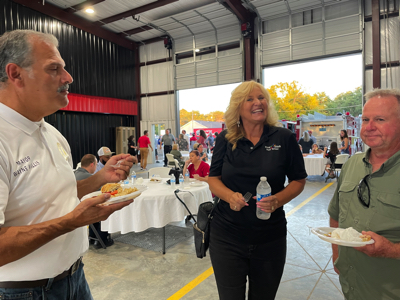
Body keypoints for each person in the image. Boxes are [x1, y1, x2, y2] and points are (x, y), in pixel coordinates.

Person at [0, 30, 134, 299]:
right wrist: (70, 222)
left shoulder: (52, 133)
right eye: (54, 68)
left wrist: (99, 180)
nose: (68, 78)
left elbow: (57, 196)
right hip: (24, 292)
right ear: (15, 74)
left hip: (75, 277)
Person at [208, 81, 307, 300]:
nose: (258, 103)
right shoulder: (226, 139)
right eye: (250, 99)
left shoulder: (284, 138)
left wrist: (277, 200)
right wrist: (228, 196)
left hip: (269, 238)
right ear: (238, 107)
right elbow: (213, 178)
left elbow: (299, 180)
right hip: (227, 236)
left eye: (261, 97)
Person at [328, 89, 400, 300]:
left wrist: (392, 250)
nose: (369, 127)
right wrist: (337, 255)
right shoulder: (352, 164)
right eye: (366, 119)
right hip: (352, 285)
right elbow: (335, 215)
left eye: (380, 119)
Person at [74, 154, 113, 248]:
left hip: (76, 206)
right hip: (84, 208)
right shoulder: (89, 177)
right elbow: (103, 190)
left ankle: (92, 237)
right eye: (95, 165)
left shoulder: (75, 174)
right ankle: (102, 239)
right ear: (92, 164)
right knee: (106, 206)